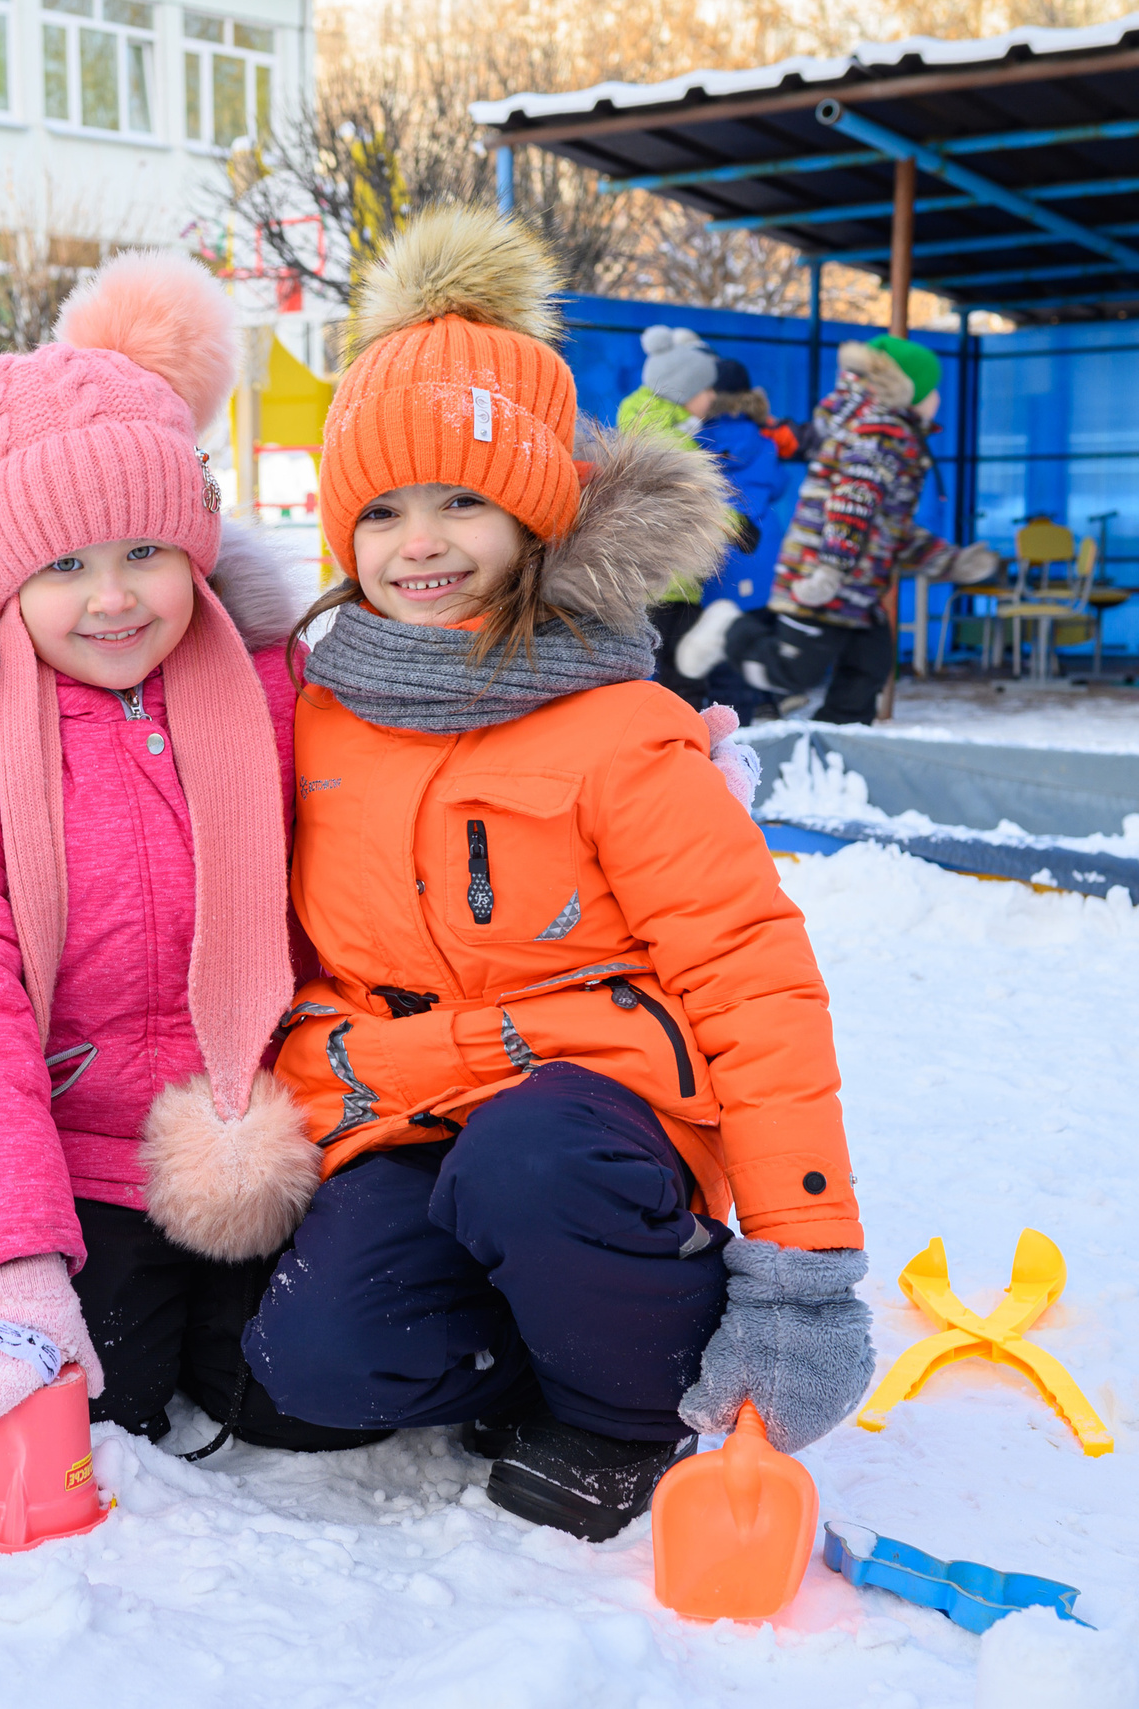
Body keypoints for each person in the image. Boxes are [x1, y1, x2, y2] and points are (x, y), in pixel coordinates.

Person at [240, 207, 874, 1542]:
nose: (422, 541)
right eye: (385, 507)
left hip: (586, 1127)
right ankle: (549, 1344)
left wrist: (802, 1268)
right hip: (403, 1114)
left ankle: (621, 1405)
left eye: (463, 499)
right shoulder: (318, 710)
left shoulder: (621, 724)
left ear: (535, 512)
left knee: (528, 1158)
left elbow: (751, 980)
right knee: (314, 1364)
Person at [0, 252, 383, 1454]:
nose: (114, 599)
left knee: (303, 1397)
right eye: (62, 566)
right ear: (0, 581)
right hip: (66, 1145)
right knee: (101, 1397)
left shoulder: (273, 684)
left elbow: (424, 764)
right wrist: (10, 1263)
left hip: (263, 1121)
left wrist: (627, 729)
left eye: (146, 551)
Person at [676, 336, 998, 723]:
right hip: (822, 577)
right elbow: (852, 500)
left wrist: (950, 562)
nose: (938, 401)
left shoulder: (889, 432)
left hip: (855, 585)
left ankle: (837, 748)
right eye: (933, 391)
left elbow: (890, 529)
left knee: (869, 669)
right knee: (792, 671)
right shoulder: (880, 432)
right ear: (906, 391)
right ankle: (728, 629)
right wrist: (832, 567)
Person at [617, 328, 757, 707]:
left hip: (652, 575)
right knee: (683, 674)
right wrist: (735, 525)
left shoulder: (650, 424)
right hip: (666, 577)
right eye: (706, 389)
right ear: (683, 390)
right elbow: (692, 493)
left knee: (665, 669)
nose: (712, 397)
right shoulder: (667, 437)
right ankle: (686, 747)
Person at [695, 359, 791, 721]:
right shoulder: (764, 442)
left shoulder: (696, 438)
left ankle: (727, 713)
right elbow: (779, 485)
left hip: (719, 548)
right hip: (762, 549)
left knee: (716, 635)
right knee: (755, 630)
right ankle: (760, 701)